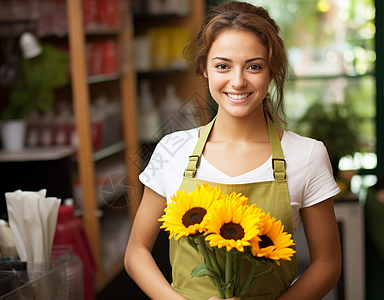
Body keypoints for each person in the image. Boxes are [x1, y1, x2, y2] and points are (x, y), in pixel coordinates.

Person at [124, 1, 342, 299]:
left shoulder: (306, 155)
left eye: (254, 66)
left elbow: (327, 263)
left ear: (271, 70)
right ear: (204, 68)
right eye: (223, 66)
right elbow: (136, 252)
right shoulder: (172, 150)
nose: (237, 81)